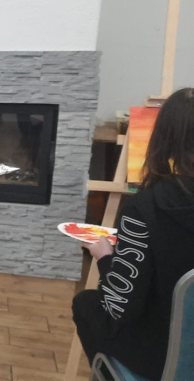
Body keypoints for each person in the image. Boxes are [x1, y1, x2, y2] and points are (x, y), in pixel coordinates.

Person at [72, 88, 194, 379]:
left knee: (86, 304)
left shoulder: (146, 208)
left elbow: (120, 306)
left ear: (165, 137)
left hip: (164, 358)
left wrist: (104, 257)